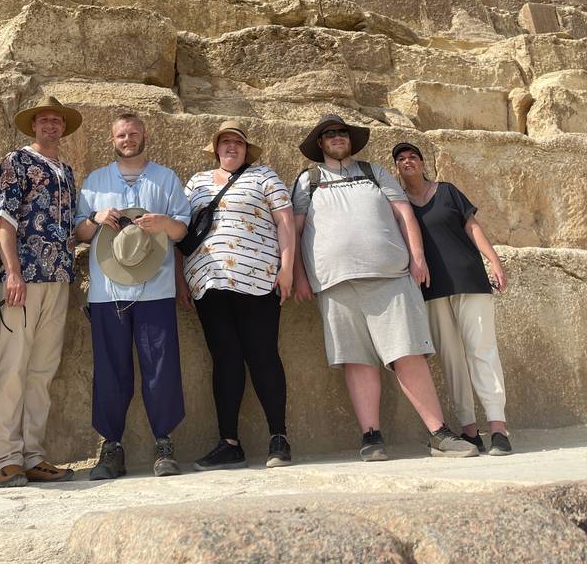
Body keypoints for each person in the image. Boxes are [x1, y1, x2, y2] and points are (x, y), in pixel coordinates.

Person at [291, 114, 478, 461]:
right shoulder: (308, 180)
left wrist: (418, 257)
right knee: (356, 360)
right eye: (329, 134)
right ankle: (371, 436)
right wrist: (299, 276)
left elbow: (405, 214)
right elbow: (296, 230)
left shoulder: (374, 172)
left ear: (350, 139)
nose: (337, 137)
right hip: (335, 283)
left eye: (342, 132)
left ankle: (438, 434)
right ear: (320, 143)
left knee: (409, 353)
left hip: (390, 277)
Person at [74, 112, 191, 479]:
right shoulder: (96, 181)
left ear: (145, 136)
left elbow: (182, 230)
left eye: (134, 133)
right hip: (107, 293)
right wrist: (95, 218)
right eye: (122, 135)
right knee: (110, 370)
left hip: (156, 289)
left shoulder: (165, 178)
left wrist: (164, 223)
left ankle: (164, 443)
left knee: (162, 367)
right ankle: (111, 446)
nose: (128, 139)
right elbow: (78, 232)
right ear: (113, 139)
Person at [182, 120, 295, 471]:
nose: (231, 147)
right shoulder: (196, 182)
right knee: (225, 359)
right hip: (208, 282)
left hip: (258, 279)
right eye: (225, 142)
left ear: (247, 149)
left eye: (238, 143)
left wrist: (288, 268)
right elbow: (181, 232)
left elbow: (285, 222)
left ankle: (279, 437)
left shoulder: (264, 176)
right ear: (216, 148)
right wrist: (178, 280)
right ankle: (229, 443)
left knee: (263, 355)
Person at [392, 142, 511, 456]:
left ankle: (498, 428)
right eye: (401, 158)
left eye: (413, 156)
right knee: (452, 360)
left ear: (422, 163)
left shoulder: (447, 191)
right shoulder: (398, 204)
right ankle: (470, 430)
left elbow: (472, 226)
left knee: (482, 351)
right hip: (431, 290)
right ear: (397, 168)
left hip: (469, 280)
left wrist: (494, 262)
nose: (407, 161)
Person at [0, 96, 81, 487]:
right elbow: (4, 219)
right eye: (44, 120)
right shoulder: (16, 162)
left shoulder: (67, 171)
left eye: (56, 120)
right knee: (13, 367)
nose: (51, 125)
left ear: (63, 127)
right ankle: (6, 457)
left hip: (58, 278)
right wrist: (12, 272)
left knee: (42, 370)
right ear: (33, 126)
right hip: (23, 279)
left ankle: (33, 455)